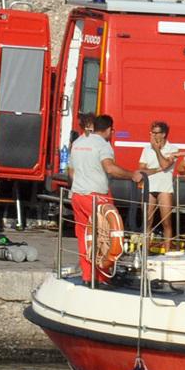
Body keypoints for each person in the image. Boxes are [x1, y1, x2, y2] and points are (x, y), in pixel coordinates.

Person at [68, 114, 138, 282]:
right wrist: (132, 175)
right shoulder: (103, 145)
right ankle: (102, 277)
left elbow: (70, 171)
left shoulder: (78, 143)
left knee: (85, 237)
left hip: (77, 195)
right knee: (106, 237)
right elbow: (110, 168)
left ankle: (87, 275)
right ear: (108, 129)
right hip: (98, 196)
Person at [138, 121, 179, 247]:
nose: (154, 135)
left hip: (164, 189)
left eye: (156, 133)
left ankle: (167, 252)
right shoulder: (146, 148)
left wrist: (157, 150)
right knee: (147, 221)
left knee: (166, 222)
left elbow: (165, 165)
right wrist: (156, 170)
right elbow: (141, 169)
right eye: (152, 132)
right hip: (149, 187)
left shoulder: (173, 149)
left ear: (164, 134)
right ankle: (145, 251)